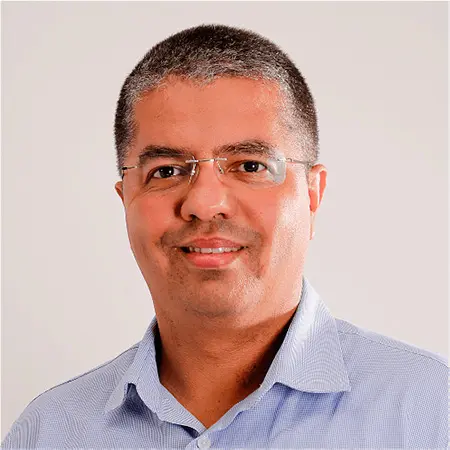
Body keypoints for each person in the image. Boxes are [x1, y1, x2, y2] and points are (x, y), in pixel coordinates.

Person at [2, 24, 447, 449]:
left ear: (312, 195)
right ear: (126, 201)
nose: (205, 202)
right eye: (167, 171)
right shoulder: (48, 434)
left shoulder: (432, 415)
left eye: (250, 166)